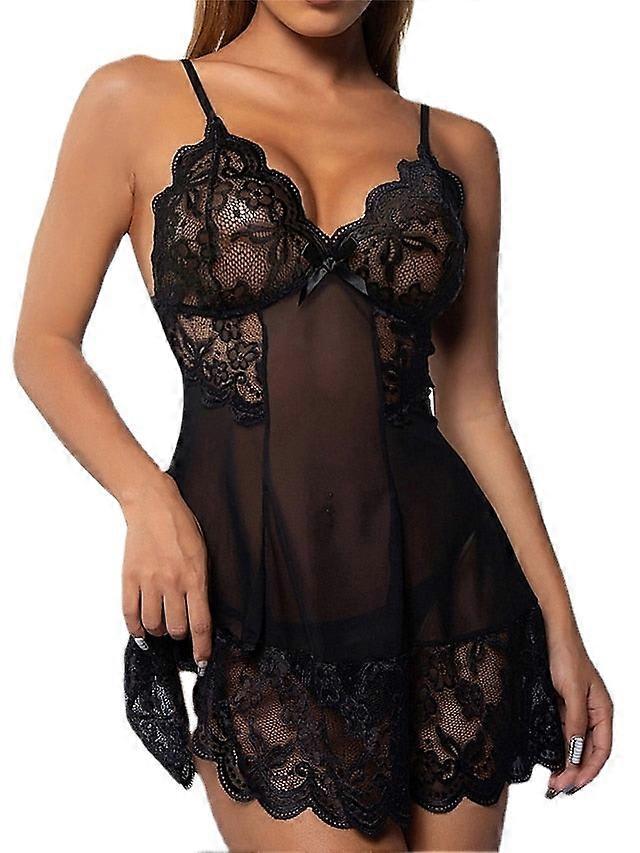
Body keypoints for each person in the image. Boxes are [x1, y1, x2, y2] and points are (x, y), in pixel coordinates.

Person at [14, 1, 613, 850]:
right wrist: (146, 498)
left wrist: (562, 625)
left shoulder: (460, 147)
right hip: (264, 608)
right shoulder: (136, 100)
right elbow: (43, 344)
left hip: (454, 601)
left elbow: (473, 404)